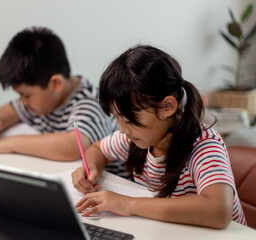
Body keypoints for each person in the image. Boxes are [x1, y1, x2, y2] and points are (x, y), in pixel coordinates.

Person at [71, 45, 247, 228]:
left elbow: (218, 211)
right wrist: (91, 168)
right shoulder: (136, 137)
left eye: (130, 119)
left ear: (167, 107)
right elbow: (98, 149)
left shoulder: (204, 145)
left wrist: (128, 203)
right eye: (118, 119)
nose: (123, 130)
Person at [0, 27, 117, 162]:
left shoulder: (90, 103)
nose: (23, 102)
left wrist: (9, 144)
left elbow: (70, 147)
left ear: (55, 84)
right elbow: (11, 110)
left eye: (26, 95)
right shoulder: (42, 101)